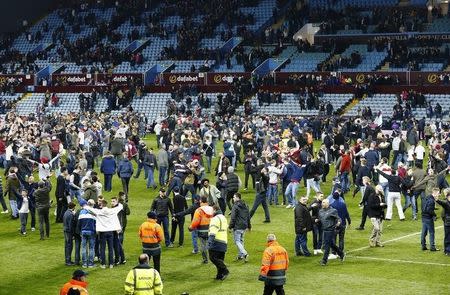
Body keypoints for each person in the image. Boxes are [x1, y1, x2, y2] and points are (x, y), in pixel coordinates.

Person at [83, 199, 123, 269]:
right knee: (110, 248)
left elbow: (89, 209)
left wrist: (85, 205)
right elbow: (120, 207)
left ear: (101, 205)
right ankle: (111, 264)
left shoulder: (99, 211)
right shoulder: (112, 210)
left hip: (102, 233)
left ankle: (103, 264)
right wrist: (119, 202)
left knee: (102, 249)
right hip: (110, 232)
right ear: (106, 204)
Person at [318, 199, 345, 266]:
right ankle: (341, 254)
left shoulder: (333, 211)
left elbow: (338, 218)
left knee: (327, 245)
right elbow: (321, 219)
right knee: (331, 244)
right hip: (324, 230)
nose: (322, 204)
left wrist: (339, 222)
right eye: (322, 202)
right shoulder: (320, 211)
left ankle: (324, 261)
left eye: (324, 202)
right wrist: (317, 220)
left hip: (331, 230)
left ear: (328, 204)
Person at [189, 196, 214, 264]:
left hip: (202, 230)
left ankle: (205, 260)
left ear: (200, 201)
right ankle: (213, 258)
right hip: (211, 229)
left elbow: (196, 221)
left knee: (203, 245)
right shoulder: (212, 209)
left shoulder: (199, 210)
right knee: (211, 244)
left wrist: (191, 227)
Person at [208, 205, 229, 280]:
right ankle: (219, 275)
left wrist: (210, 241)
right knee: (220, 259)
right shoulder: (223, 217)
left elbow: (213, 231)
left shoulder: (215, 219)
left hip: (217, 241)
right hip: (224, 240)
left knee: (213, 257)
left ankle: (225, 270)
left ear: (214, 210)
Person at [229, 192, 251, 262]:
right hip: (244, 226)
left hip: (237, 226)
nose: (233, 198)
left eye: (234, 197)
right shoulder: (246, 205)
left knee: (237, 241)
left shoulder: (235, 206)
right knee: (241, 241)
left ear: (237, 197)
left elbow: (233, 218)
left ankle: (245, 254)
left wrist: (230, 226)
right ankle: (240, 256)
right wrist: (249, 226)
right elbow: (248, 216)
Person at [78, 199, 96, 268]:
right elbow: (95, 223)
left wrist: (80, 231)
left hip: (83, 231)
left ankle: (84, 263)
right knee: (91, 248)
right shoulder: (93, 212)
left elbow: (79, 223)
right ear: (93, 204)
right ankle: (91, 263)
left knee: (83, 248)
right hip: (91, 231)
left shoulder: (82, 212)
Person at [435, 189, 450, 255]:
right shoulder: (446, 203)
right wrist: (437, 198)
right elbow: (439, 202)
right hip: (448, 222)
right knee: (447, 237)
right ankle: (447, 250)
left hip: (447, 221)